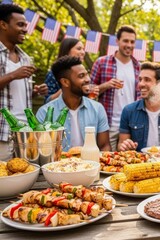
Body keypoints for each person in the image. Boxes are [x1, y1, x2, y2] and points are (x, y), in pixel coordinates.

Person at [0, 4, 48, 161]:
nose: (25, 30)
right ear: (3, 25)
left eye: (25, 25)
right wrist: (13, 75)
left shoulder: (25, 58)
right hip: (3, 133)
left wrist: (35, 91)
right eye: (20, 24)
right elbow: (13, 78)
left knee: (25, 178)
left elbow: (17, 95)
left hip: (25, 133)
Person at [36, 56, 111, 151]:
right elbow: (40, 151)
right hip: (58, 165)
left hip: (91, 164)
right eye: (81, 76)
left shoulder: (97, 108)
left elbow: (104, 146)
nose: (88, 79)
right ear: (65, 82)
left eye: (86, 74)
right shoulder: (44, 113)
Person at [90, 25, 140, 151]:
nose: (129, 45)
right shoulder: (101, 62)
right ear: (117, 41)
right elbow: (88, 91)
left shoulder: (138, 66)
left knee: (129, 159)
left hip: (132, 124)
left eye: (132, 42)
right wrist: (106, 85)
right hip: (108, 123)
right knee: (107, 160)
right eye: (125, 41)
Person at [118, 62, 160, 152]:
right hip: (140, 162)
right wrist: (125, 146)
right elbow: (121, 144)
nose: (141, 84)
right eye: (140, 79)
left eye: (147, 80)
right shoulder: (128, 111)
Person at [44, 38, 88, 103]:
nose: (83, 52)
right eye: (79, 49)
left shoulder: (83, 72)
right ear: (67, 50)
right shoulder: (53, 73)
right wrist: (68, 88)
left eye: (83, 49)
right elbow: (47, 101)